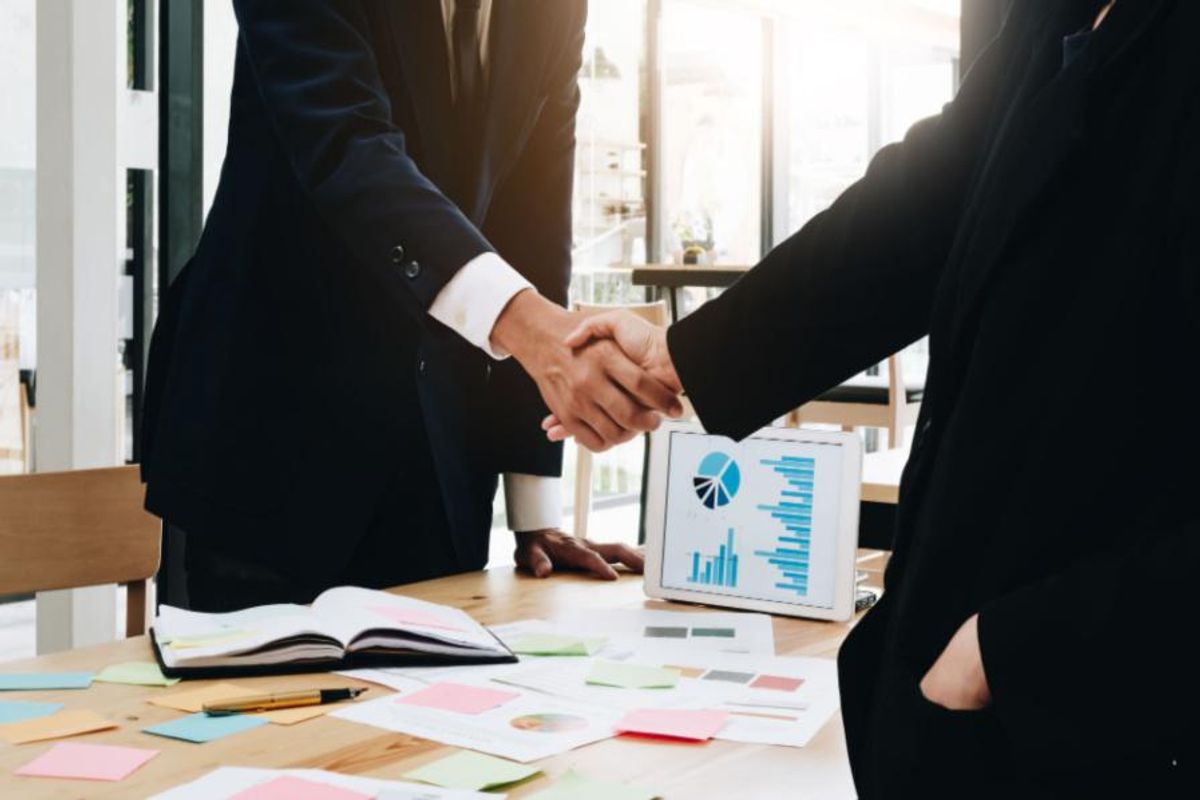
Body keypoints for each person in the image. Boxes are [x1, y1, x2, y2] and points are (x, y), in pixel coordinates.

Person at [550, 0, 1199, 795]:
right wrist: (688, 353)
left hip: (1104, 706)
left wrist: (1019, 652)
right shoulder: (1048, 17)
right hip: (957, 708)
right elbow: (924, 198)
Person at [142, 0, 680, 612]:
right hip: (271, 446)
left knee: (437, 706)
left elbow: (533, 222)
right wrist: (533, 329)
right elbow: (346, 145)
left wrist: (534, 510)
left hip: (437, 460)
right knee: (253, 705)